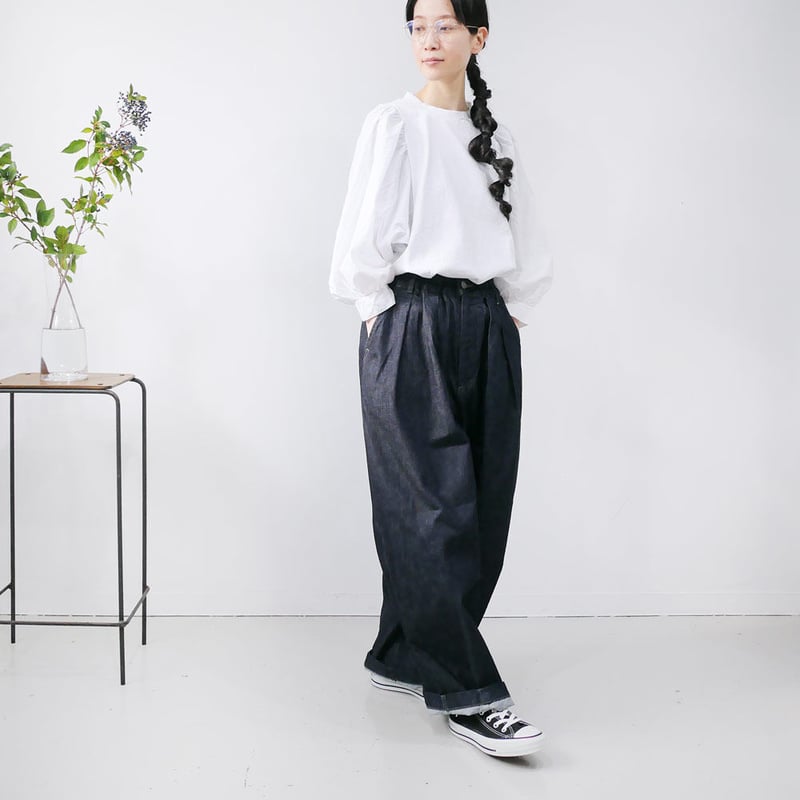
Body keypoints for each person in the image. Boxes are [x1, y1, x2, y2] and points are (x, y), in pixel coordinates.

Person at [329, 0, 553, 759]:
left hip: (486, 322)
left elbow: (524, 233)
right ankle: (471, 692)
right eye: (417, 26)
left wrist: (512, 312)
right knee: (432, 511)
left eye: (445, 25)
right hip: (412, 318)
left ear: (478, 38)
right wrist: (376, 311)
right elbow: (362, 229)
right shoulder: (393, 123)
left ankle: (400, 654)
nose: (428, 39)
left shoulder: (497, 137)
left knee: (482, 506)